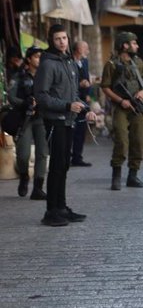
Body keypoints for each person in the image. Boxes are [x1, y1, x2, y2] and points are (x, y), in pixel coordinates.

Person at [34, 24, 91, 226]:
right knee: (57, 166)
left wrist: (85, 109)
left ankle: (61, 207)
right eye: (58, 39)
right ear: (51, 40)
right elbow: (41, 96)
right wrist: (67, 105)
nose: (62, 42)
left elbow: (73, 94)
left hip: (68, 121)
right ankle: (51, 211)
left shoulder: (69, 62)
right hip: (54, 121)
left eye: (64, 38)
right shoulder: (47, 64)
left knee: (64, 165)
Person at [101, 32, 143, 191]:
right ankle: (116, 176)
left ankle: (132, 175)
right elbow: (105, 87)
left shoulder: (138, 62)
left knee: (138, 141)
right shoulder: (112, 64)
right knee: (121, 141)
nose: (137, 46)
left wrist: (142, 92)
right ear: (125, 45)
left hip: (136, 108)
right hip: (120, 108)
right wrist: (121, 100)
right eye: (134, 43)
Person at [8, 47, 47, 199]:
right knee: (23, 155)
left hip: (42, 118)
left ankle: (38, 187)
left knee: (42, 153)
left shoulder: (46, 76)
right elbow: (11, 96)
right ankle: (24, 176)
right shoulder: (19, 76)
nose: (40, 59)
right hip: (25, 118)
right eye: (37, 56)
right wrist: (25, 103)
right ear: (29, 59)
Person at [70, 41, 92, 166]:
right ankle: (67, 156)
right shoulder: (70, 62)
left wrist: (88, 91)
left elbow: (86, 77)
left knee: (81, 129)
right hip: (72, 99)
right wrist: (79, 85)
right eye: (85, 48)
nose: (87, 50)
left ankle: (77, 157)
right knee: (71, 130)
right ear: (78, 49)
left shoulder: (84, 62)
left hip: (83, 99)